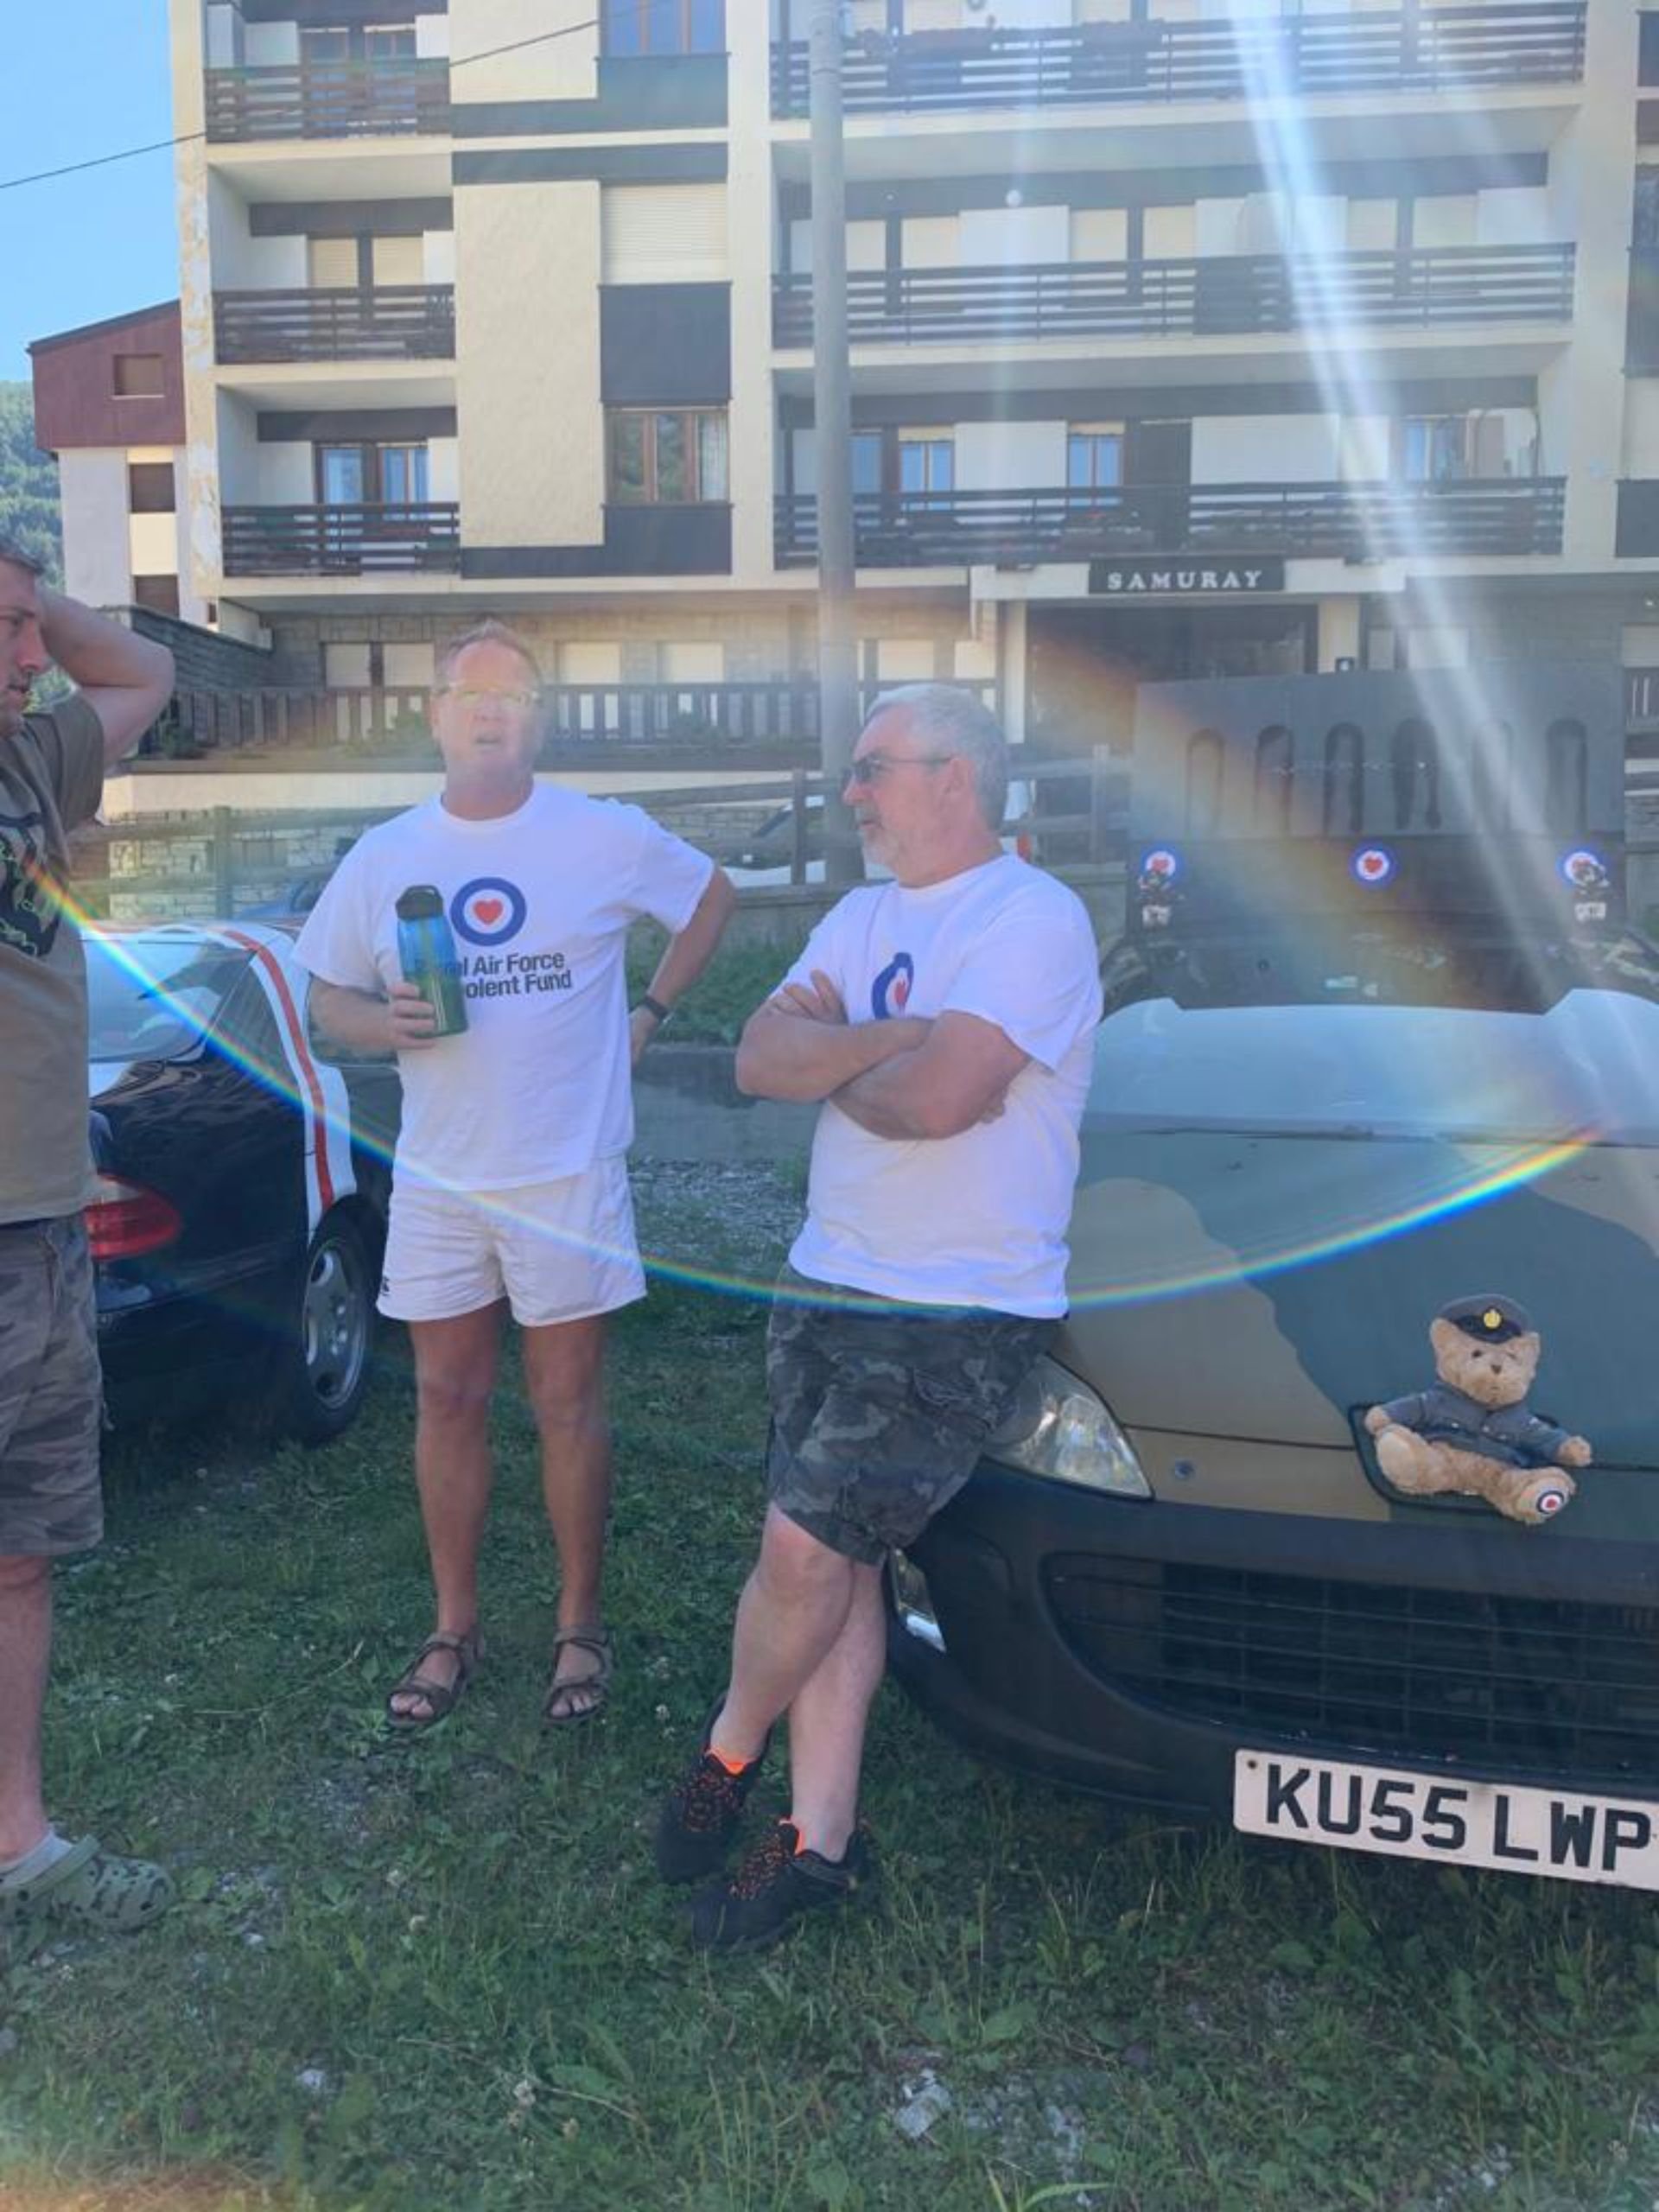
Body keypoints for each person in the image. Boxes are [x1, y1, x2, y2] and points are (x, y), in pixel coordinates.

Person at [655, 683, 1101, 1950]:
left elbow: (943, 1103)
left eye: (873, 769)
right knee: (834, 1564)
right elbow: (753, 1061)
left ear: (955, 777)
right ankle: (818, 1850)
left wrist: (848, 1050)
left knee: (801, 1553)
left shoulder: (1035, 918)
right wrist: (896, 1039)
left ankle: (727, 1754)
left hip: (952, 1306)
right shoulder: (857, 915)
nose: (852, 793)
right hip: (827, 1275)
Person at [296, 619, 734, 1732]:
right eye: (468, 691)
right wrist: (377, 1021)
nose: (490, 708)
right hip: (441, 1176)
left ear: (537, 718)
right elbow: (322, 999)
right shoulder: (388, 853)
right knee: (445, 1397)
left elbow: (712, 898)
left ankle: (578, 1626)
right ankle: (454, 1626)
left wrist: (649, 1012)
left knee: (568, 1403)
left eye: (513, 690)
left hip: (564, 1170)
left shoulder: (598, 834)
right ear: (436, 717)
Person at [0, 537, 177, 1930]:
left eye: (24, 629)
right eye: (1, 634)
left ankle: (20, 1842)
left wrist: (26, 594)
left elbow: (149, 667)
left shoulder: (34, 763)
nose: (25, 656)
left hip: (45, 1223)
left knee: (24, 1546)